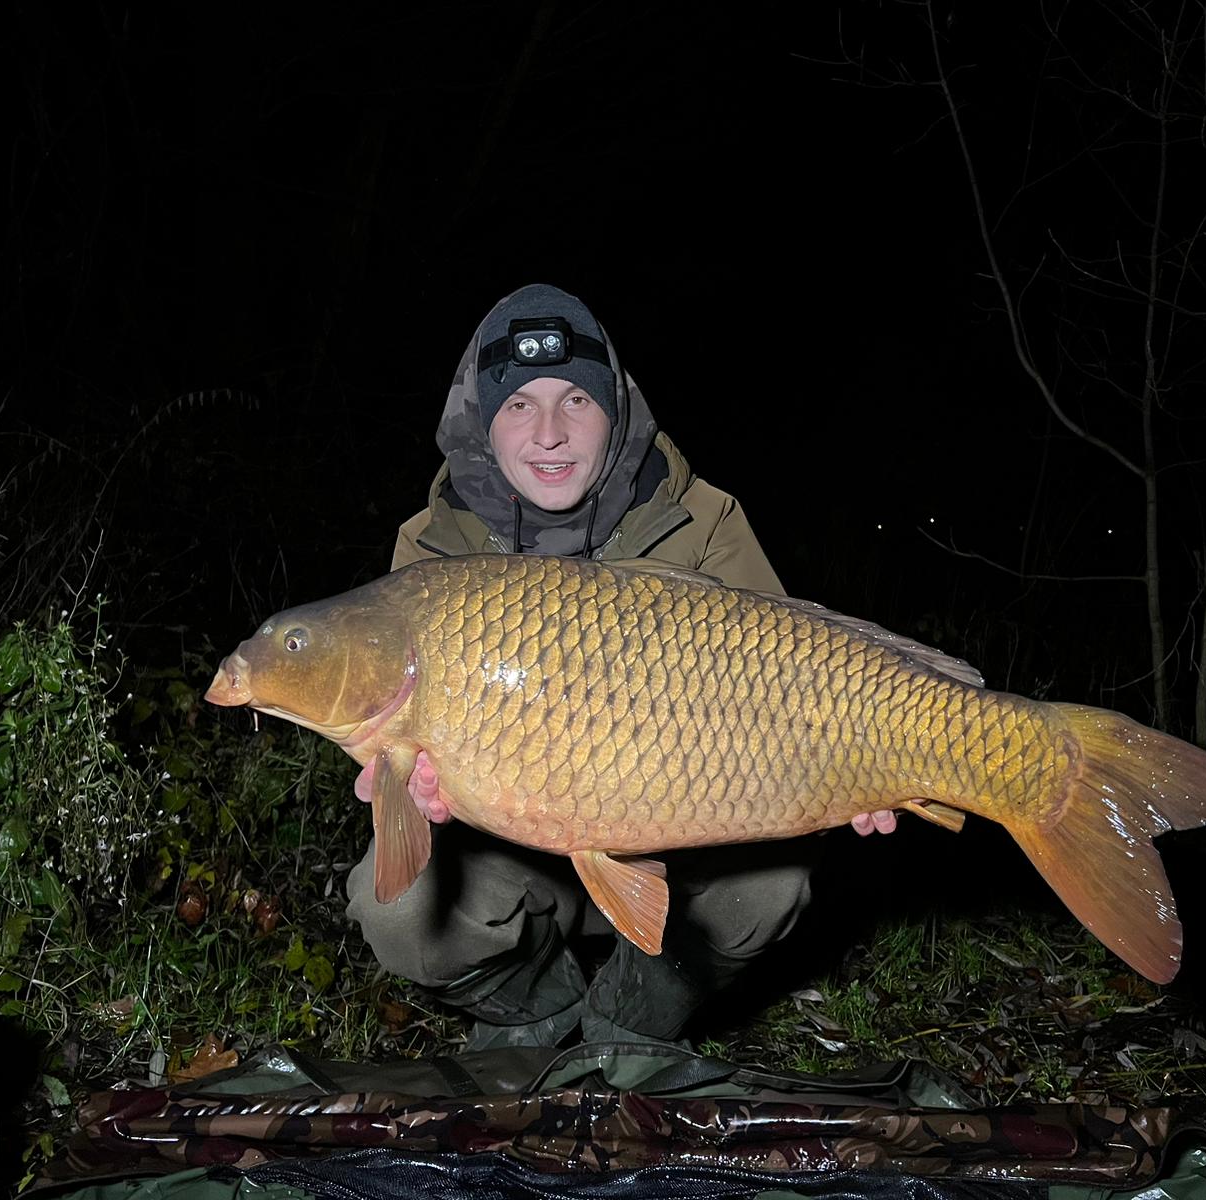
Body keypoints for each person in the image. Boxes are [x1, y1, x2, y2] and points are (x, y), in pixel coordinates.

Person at [345, 283, 893, 1049]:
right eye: (517, 405)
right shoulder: (432, 558)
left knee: (774, 882)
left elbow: (796, 682)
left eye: (576, 399)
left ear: (617, 409)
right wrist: (404, 789)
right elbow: (406, 789)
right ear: (481, 423)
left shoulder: (701, 521)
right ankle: (538, 1007)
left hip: (682, 837)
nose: (549, 432)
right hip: (520, 862)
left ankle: (637, 1014)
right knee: (396, 907)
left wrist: (863, 764)